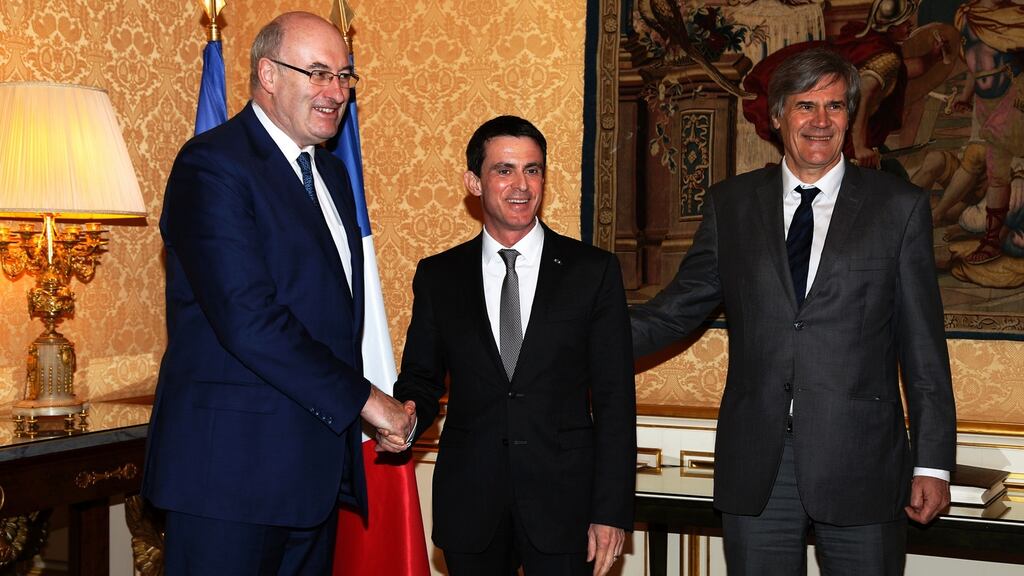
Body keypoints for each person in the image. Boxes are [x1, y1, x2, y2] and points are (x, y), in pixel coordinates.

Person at [631, 48, 956, 575]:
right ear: (779, 115)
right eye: (805, 105)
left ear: (851, 116)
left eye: (834, 106)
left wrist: (934, 464)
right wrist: (573, 334)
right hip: (758, 464)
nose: (820, 121)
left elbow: (924, 350)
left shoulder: (899, 207)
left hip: (862, 464)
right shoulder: (731, 205)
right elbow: (672, 314)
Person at [142, 11, 415, 574]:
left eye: (344, 77)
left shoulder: (332, 176)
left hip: (311, 477)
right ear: (267, 74)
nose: (335, 92)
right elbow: (250, 320)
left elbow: (331, 321)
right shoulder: (211, 165)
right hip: (229, 481)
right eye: (318, 74)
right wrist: (369, 403)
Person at [392, 116, 636, 576]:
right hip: (471, 503)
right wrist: (403, 415)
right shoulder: (439, 276)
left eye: (533, 169)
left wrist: (611, 511)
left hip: (566, 505)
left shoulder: (592, 271)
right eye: (504, 170)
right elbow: (422, 378)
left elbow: (614, 400)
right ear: (474, 182)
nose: (521, 185)